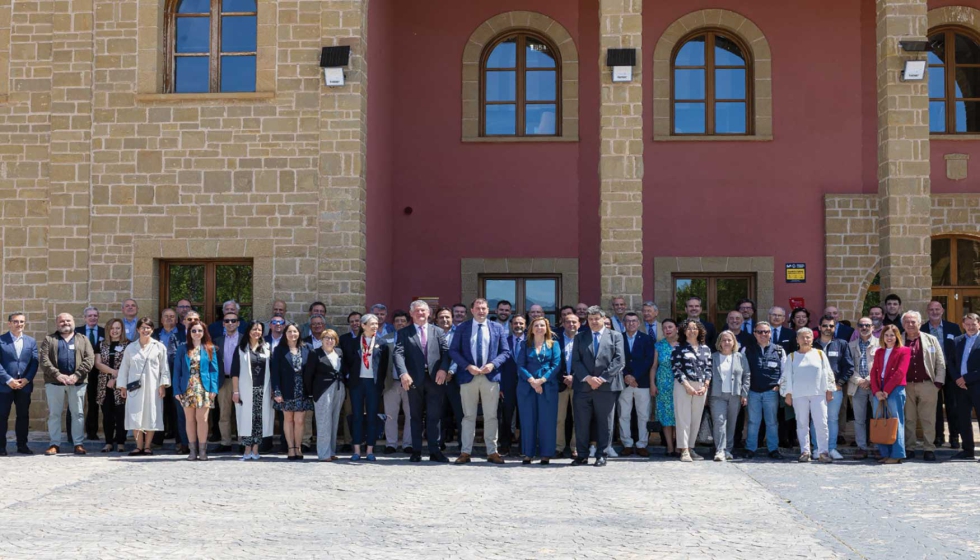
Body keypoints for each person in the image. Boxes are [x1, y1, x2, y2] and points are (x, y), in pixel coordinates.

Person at [449, 298, 512, 465]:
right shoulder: (463, 328)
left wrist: (493, 364)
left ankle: (492, 452)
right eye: (478, 308)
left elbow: (505, 352)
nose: (481, 311)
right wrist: (467, 366)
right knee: (468, 416)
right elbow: (453, 351)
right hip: (468, 376)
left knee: (491, 416)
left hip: (489, 377)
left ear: (488, 310)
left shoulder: (497, 328)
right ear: (472, 310)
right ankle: (465, 452)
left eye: (484, 308)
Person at [393, 300, 452, 463]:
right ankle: (416, 451)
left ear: (429, 313)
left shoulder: (438, 331)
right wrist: (403, 373)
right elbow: (398, 354)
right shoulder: (404, 332)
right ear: (411, 314)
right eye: (417, 311)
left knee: (434, 417)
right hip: (413, 379)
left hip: (435, 379)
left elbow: (446, 353)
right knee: (415, 416)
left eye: (423, 311)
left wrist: (443, 369)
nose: (420, 313)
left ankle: (435, 451)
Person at [571, 306, 624, 467]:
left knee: (605, 423)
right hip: (583, 387)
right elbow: (576, 361)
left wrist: (601, 379)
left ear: (603, 319)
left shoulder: (615, 336)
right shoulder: (580, 337)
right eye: (590, 319)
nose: (594, 322)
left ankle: (602, 454)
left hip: (606, 387)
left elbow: (619, 360)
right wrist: (588, 378)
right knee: (581, 422)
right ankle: (582, 455)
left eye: (596, 318)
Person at [40, 313, 95, 456]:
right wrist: (58, 374)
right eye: (62, 321)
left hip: (77, 382)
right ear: (57, 323)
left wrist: (76, 375)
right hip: (54, 382)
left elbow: (90, 359)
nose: (65, 323)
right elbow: (44, 360)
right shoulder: (49, 339)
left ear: (73, 322)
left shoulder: (83, 339)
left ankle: (78, 444)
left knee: (78, 414)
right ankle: (54, 444)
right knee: (54, 414)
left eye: (68, 320)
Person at [780, 328, 835, 463]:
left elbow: (827, 372)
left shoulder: (820, 354)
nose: (806, 340)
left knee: (821, 423)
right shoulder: (792, 356)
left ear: (812, 339)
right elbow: (786, 375)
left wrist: (829, 390)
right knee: (802, 423)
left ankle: (823, 452)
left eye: (808, 337)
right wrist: (787, 394)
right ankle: (805, 451)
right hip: (799, 394)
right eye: (803, 337)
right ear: (797, 340)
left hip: (818, 393)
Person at [117, 318, 170, 456]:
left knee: (151, 414)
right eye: (143, 327)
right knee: (135, 415)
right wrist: (122, 387)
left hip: (153, 386)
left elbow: (164, 368)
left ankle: (147, 446)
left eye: (148, 327)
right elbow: (124, 368)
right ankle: (138, 446)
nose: (145, 330)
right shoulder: (130, 348)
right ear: (138, 329)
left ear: (152, 330)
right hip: (134, 386)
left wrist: (163, 385)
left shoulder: (159, 347)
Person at [899, 311, 946, 461]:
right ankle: (910, 447)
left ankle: (928, 448)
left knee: (928, 418)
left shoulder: (931, 340)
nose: (910, 325)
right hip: (905, 386)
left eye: (913, 322)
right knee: (909, 418)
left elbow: (940, 362)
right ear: (903, 324)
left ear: (919, 323)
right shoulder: (898, 339)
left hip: (928, 385)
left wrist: (937, 383)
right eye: (907, 322)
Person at [343, 313, 389, 461]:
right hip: (357, 383)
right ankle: (356, 450)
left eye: (376, 324)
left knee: (371, 416)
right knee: (356, 416)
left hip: (373, 384)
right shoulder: (353, 342)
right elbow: (346, 363)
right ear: (363, 326)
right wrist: (349, 378)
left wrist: (380, 385)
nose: (375, 326)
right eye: (372, 324)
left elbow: (383, 367)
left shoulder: (382, 344)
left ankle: (370, 450)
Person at [515, 317, 561, 464]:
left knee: (547, 421)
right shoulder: (525, 344)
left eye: (542, 325)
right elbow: (520, 365)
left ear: (547, 328)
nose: (539, 328)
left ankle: (546, 453)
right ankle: (528, 453)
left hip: (548, 387)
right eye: (536, 325)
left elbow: (556, 365)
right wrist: (532, 381)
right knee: (528, 420)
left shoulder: (554, 344)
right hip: (527, 388)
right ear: (531, 328)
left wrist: (541, 381)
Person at [174, 319, 219, 461]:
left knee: (203, 419)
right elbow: (177, 371)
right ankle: (192, 450)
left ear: (204, 332)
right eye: (194, 330)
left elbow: (214, 370)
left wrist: (213, 389)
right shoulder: (183, 348)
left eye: (200, 330)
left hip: (203, 387)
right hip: (187, 387)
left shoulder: (209, 348)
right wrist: (176, 390)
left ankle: (203, 450)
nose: (197, 333)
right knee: (190, 419)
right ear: (189, 332)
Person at [811, 315, 853, 460]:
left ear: (835, 328)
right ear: (819, 327)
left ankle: (831, 448)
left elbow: (848, 367)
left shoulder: (842, 344)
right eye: (825, 326)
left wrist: (839, 383)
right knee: (816, 419)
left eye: (831, 326)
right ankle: (817, 448)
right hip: (815, 389)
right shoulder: (812, 345)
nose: (827, 328)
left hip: (835, 388)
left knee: (832, 419)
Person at [743, 321, 786, 460]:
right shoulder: (746, 350)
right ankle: (750, 448)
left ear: (770, 333)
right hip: (753, 391)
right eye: (760, 332)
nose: (763, 334)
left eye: (766, 332)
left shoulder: (779, 350)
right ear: (754, 333)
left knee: (772, 422)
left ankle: (773, 449)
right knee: (753, 422)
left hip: (771, 392)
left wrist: (779, 385)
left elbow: (785, 371)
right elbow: (742, 371)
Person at [271, 323, 313, 460]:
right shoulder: (279, 350)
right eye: (289, 331)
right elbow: (275, 372)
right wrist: (277, 391)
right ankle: (290, 448)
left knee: (300, 420)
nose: (292, 334)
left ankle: (298, 447)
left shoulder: (307, 348)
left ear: (299, 333)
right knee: (288, 419)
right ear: (285, 334)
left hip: (302, 389)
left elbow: (312, 370)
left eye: (295, 331)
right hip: (286, 388)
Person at [672, 318, 711, 462]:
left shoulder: (705, 348)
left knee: (696, 419)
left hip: (701, 386)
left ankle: (691, 447)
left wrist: (705, 385)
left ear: (700, 330)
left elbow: (708, 368)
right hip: (683, 386)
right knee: (683, 418)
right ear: (683, 331)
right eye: (688, 328)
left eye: (694, 328)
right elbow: (676, 369)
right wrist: (687, 386)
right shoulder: (678, 347)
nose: (692, 331)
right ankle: (683, 450)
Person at [869, 325, 910, 464]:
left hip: (895, 388)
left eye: (892, 335)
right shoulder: (879, 351)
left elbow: (900, 372)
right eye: (886, 335)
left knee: (895, 421)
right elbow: (874, 371)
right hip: (879, 389)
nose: (889, 338)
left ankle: (897, 454)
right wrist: (876, 391)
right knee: (880, 420)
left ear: (897, 336)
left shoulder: (904, 351)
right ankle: (885, 453)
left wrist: (886, 390)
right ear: (882, 337)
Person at [233, 321, 274, 461]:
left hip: (263, 389)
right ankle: (246, 450)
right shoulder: (241, 348)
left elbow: (273, 370)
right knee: (246, 420)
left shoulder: (267, 348)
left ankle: (256, 450)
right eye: (254, 329)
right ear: (248, 331)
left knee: (259, 420)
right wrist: (235, 391)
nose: (257, 332)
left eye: (260, 329)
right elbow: (235, 372)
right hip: (245, 389)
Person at [0, 313, 39, 456]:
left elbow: (34, 362)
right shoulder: (1, 340)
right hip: (4, 386)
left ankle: (22, 445)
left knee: (23, 416)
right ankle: (1, 447)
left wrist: (27, 379)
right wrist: (9, 380)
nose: (19, 324)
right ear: (9, 323)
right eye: (15, 321)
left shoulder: (31, 341)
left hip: (24, 386)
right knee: (2, 416)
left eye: (21, 321)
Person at [708, 330, 750, 462]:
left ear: (734, 342)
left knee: (731, 423)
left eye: (729, 340)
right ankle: (720, 450)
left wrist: (744, 393)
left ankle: (728, 450)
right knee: (719, 422)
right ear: (719, 342)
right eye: (724, 340)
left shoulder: (740, 357)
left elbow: (746, 375)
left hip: (735, 395)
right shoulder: (713, 357)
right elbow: (707, 376)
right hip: (717, 395)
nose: (726, 342)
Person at [617, 312, 655, 457]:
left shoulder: (646, 339)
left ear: (638, 323)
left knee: (643, 414)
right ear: (624, 323)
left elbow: (649, 360)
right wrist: (626, 375)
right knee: (624, 414)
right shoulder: (618, 338)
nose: (631, 323)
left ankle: (642, 444)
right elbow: (617, 358)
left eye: (634, 321)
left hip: (642, 382)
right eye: (628, 321)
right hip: (624, 382)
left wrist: (635, 376)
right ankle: (626, 443)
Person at [304, 328, 345, 462]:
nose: (329, 340)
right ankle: (323, 453)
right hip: (322, 390)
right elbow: (308, 375)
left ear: (336, 341)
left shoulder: (339, 352)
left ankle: (331, 451)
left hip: (338, 388)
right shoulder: (315, 353)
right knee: (323, 422)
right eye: (326, 338)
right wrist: (310, 393)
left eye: (332, 338)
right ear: (321, 340)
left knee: (334, 420)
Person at [926, 300, 961, 449]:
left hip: (951, 372)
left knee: (953, 406)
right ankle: (938, 437)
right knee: (935, 407)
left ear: (942, 311)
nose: (934, 312)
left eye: (937, 309)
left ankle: (954, 437)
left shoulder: (953, 328)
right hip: (931, 373)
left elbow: (959, 349)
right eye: (932, 309)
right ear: (927, 312)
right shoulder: (922, 329)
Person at [847, 317, 880, 460]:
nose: (864, 328)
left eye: (867, 325)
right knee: (859, 419)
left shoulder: (881, 344)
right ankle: (862, 447)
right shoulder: (850, 345)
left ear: (873, 327)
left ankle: (879, 447)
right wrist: (859, 380)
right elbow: (848, 366)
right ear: (857, 327)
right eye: (861, 325)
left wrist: (869, 379)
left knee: (877, 418)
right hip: (857, 386)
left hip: (876, 385)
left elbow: (881, 365)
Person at [94, 319, 128, 453]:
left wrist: (115, 378)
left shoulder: (129, 345)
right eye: (112, 328)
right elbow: (98, 363)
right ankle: (108, 442)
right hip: (104, 385)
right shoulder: (101, 344)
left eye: (118, 328)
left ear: (122, 330)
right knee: (107, 414)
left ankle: (120, 442)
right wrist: (113, 372)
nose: (115, 331)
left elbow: (127, 365)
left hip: (122, 384)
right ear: (108, 330)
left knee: (121, 414)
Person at [950, 313, 980, 460]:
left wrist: (966, 378)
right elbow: (951, 362)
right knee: (963, 418)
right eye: (967, 324)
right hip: (960, 387)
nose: (970, 327)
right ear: (963, 325)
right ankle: (968, 450)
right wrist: (957, 379)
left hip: (977, 385)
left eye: (973, 324)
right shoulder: (957, 341)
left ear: (979, 324)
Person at [382, 311, 412, 454]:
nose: (400, 323)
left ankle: (408, 444)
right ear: (393, 324)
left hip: (410, 383)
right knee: (390, 415)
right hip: (391, 382)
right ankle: (391, 444)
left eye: (403, 321)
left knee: (410, 414)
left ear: (408, 323)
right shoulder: (385, 339)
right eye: (397, 321)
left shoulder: (414, 338)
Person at [151, 308, 181, 448]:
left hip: (176, 376)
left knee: (176, 409)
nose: (169, 319)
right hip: (157, 377)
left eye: (172, 316)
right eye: (166, 316)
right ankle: (157, 440)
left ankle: (179, 441)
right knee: (158, 408)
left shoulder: (182, 334)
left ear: (176, 319)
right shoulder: (154, 334)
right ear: (161, 320)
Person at [213, 310, 242, 453]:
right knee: (224, 413)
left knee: (241, 412)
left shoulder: (244, 339)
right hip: (223, 380)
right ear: (223, 324)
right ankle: (226, 442)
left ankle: (243, 442)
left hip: (241, 381)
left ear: (238, 323)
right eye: (227, 321)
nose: (230, 323)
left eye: (233, 321)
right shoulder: (217, 341)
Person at [651, 319, 680, 457]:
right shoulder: (659, 345)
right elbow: (654, 366)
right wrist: (652, 384)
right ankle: (669, 447)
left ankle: (679, 446)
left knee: (679, 416)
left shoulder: (684, 345)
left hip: (680, 385)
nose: (667, 330)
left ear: (676, 329)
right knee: (666, 417)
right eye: (665, 328)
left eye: (670, 327)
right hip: (663, 386)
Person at [497, 313, 523, 456]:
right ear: (511, 325)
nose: (518, 326)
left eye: (521, 324)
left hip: (527, 385)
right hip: (507, 386)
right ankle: (505, 445)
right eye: (515, 323)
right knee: (506, 417)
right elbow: (499, 365)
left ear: (525, 325)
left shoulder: (530, 342)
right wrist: (500, 386)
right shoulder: (504, 342)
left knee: (524, 417)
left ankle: (523, 447)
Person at [77, 306, 104, 441]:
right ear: (84, 318)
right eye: (90, 316)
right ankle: (74, 433)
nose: (93, 318)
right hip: (80, 372)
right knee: (76, 402)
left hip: (99, 372)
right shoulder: (77, 332)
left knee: (94, 402)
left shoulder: (105, 332)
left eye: (95, 315)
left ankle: (92, 432)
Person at [555, 314, 577, 458]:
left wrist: (574, 377)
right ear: (563, 323)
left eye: (574, 322)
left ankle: (576, 447)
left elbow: (587, 361)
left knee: (578, 418)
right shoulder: (555, 339)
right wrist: (563, 378)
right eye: (567, 322)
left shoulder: (583, 339)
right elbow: (552, 361)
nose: (571, 324)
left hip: (578, 384)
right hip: (559, 383)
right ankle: (558, 447)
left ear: (579, 324)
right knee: (559, 418)